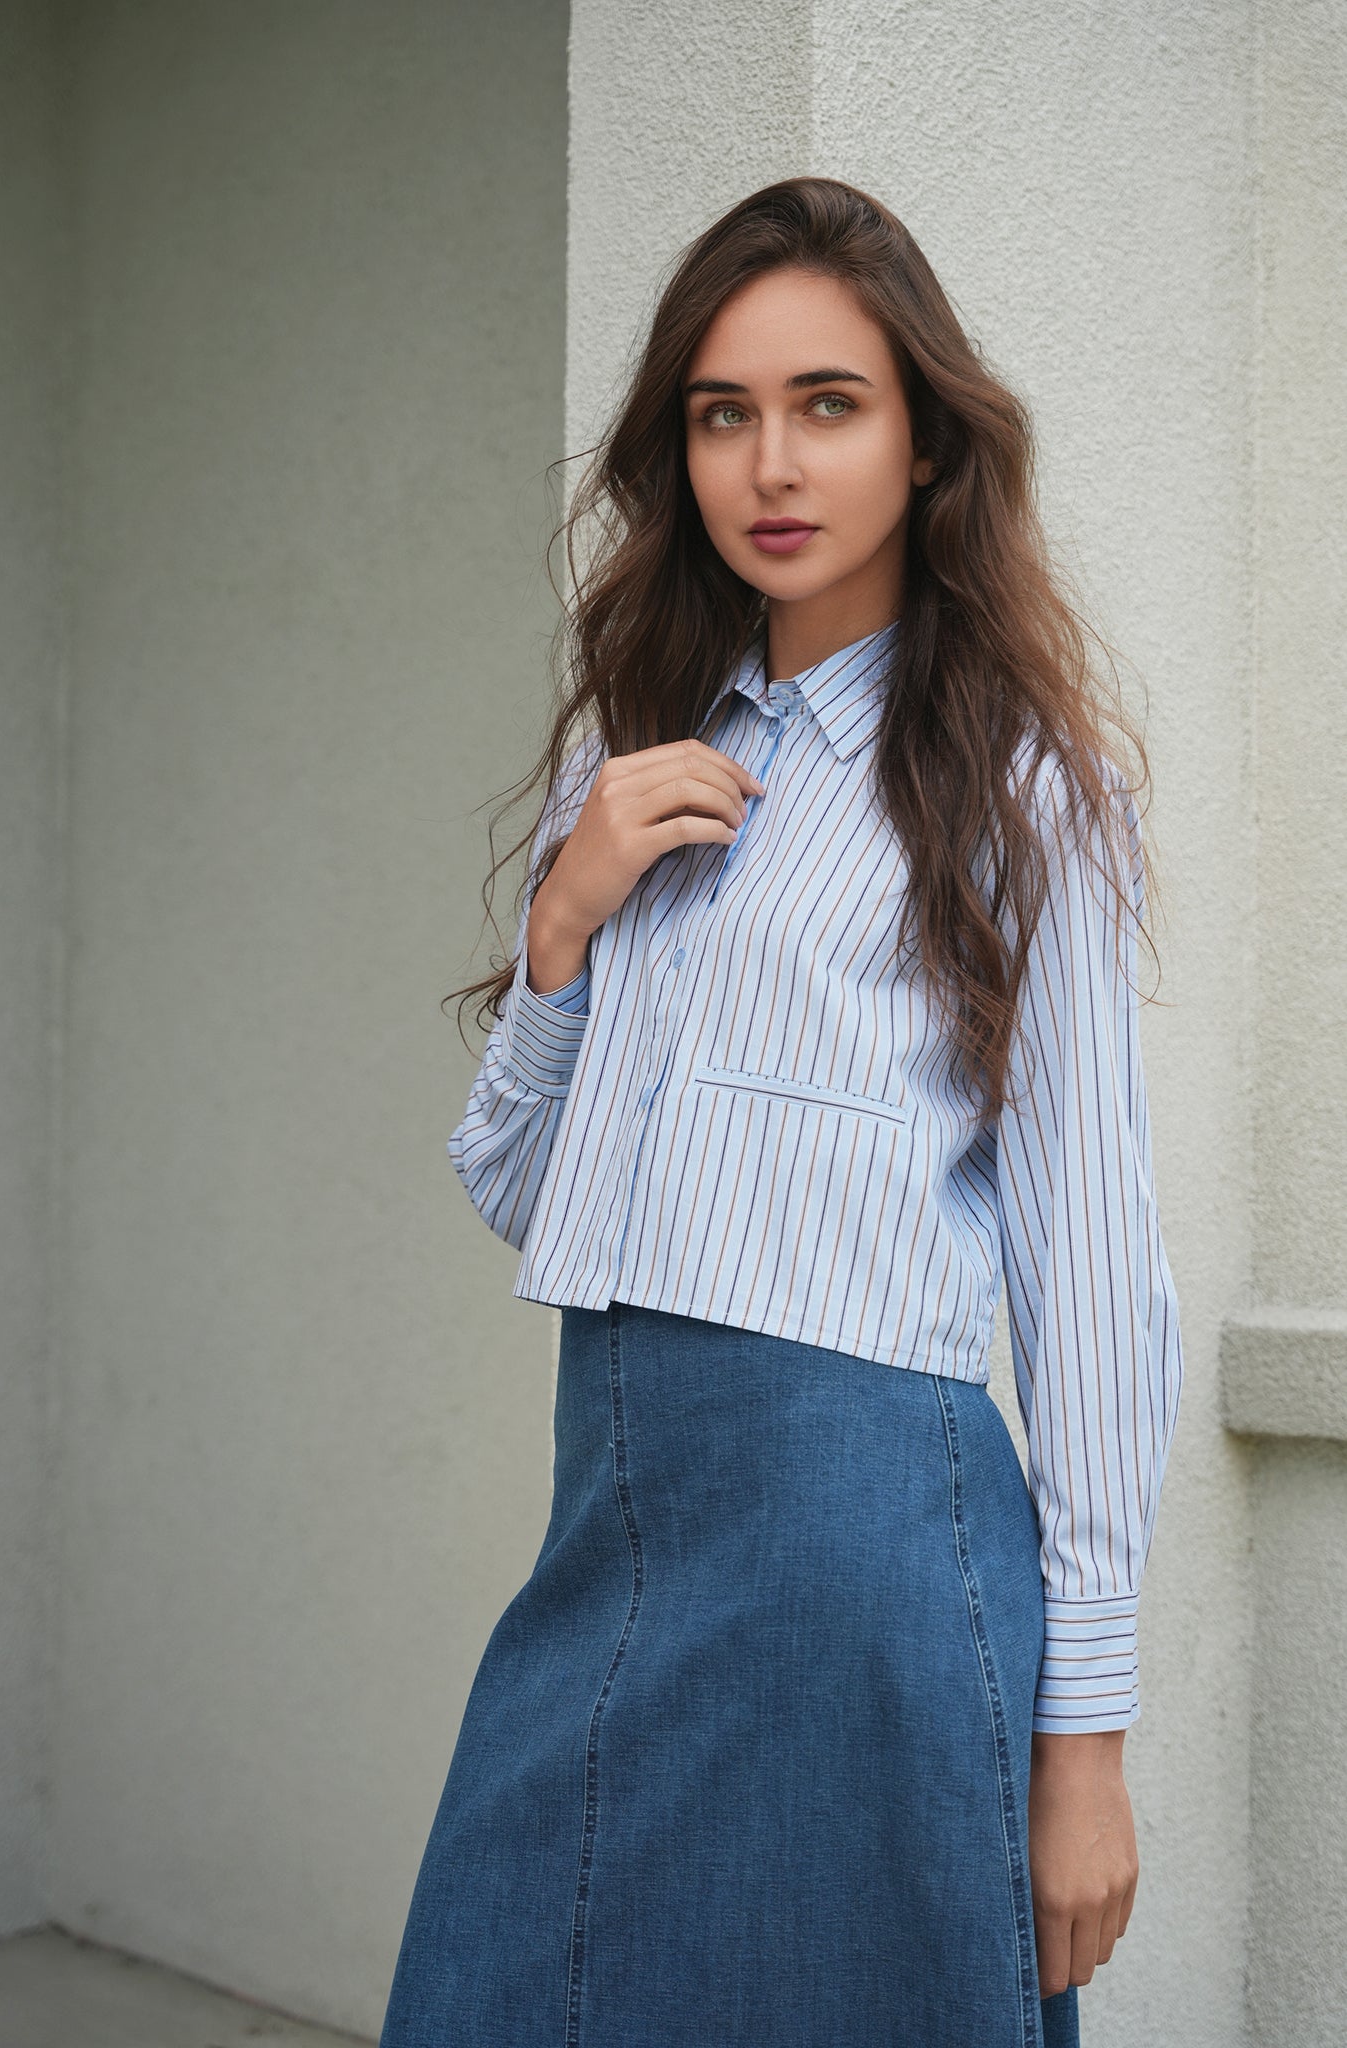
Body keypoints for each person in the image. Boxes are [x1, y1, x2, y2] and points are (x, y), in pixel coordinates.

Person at [377, 176, 1183, 2048]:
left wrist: (1087, 1740)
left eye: (828, 402)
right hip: (622, 1521)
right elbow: (521, 1190)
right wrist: (563, 927)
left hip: (870, 1551)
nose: (771, 460)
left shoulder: (1018, 791)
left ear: (922, 440)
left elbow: (1093, 1269)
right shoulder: (642, 759)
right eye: (722, 411)